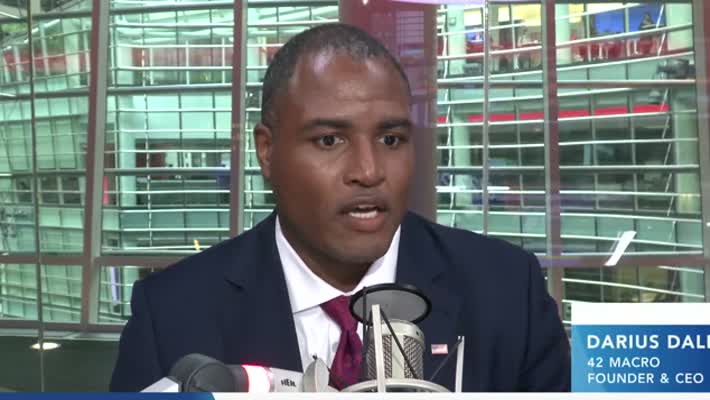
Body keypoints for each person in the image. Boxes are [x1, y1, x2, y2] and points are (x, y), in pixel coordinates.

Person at [110, 23, 570, 392]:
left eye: (391, 139)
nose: (368, 171)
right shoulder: (172, 315)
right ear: (267, 151)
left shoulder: (508, 292)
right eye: (329, 140)